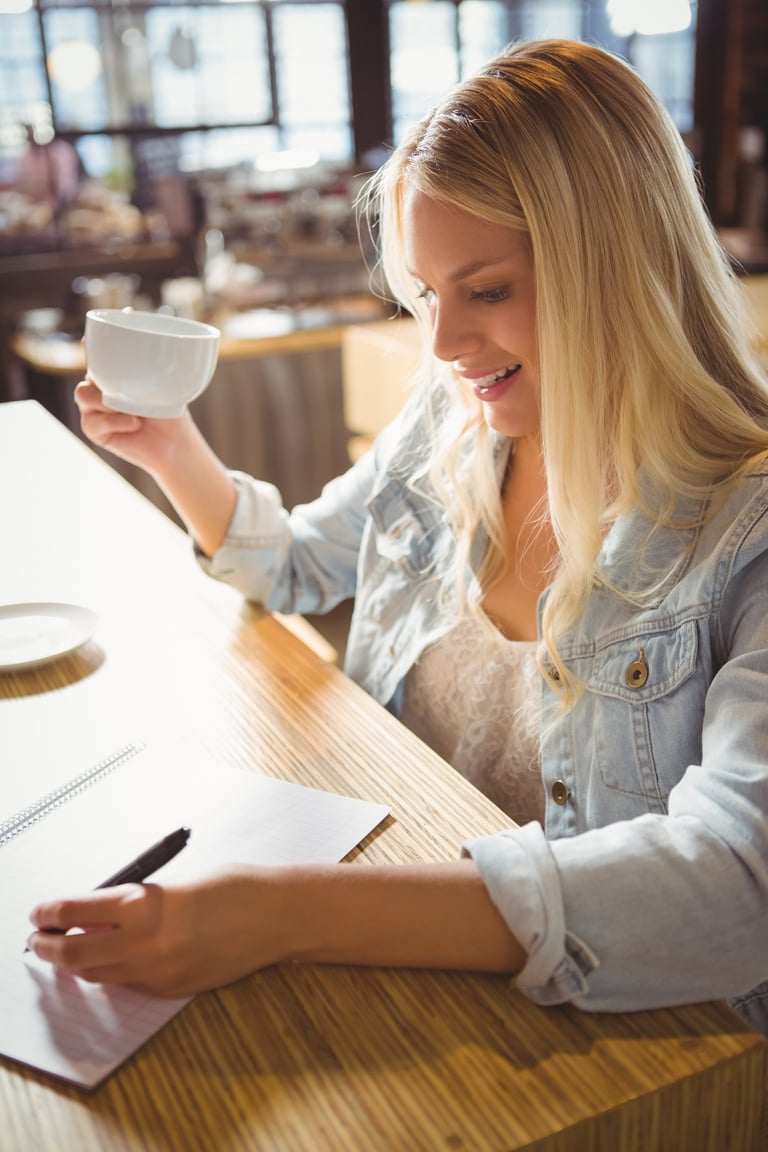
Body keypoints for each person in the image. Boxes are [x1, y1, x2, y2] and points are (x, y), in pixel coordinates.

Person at [28, 38, 768, 1036]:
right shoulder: (454, 423)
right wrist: (170, 449)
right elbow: (296, 564)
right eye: (425, 296)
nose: (444, 345)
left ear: (618, 266)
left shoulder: (744, 531)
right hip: (405, 972)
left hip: (623, 1051)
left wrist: (284, 912)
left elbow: (738, 884)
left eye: (488, 290)